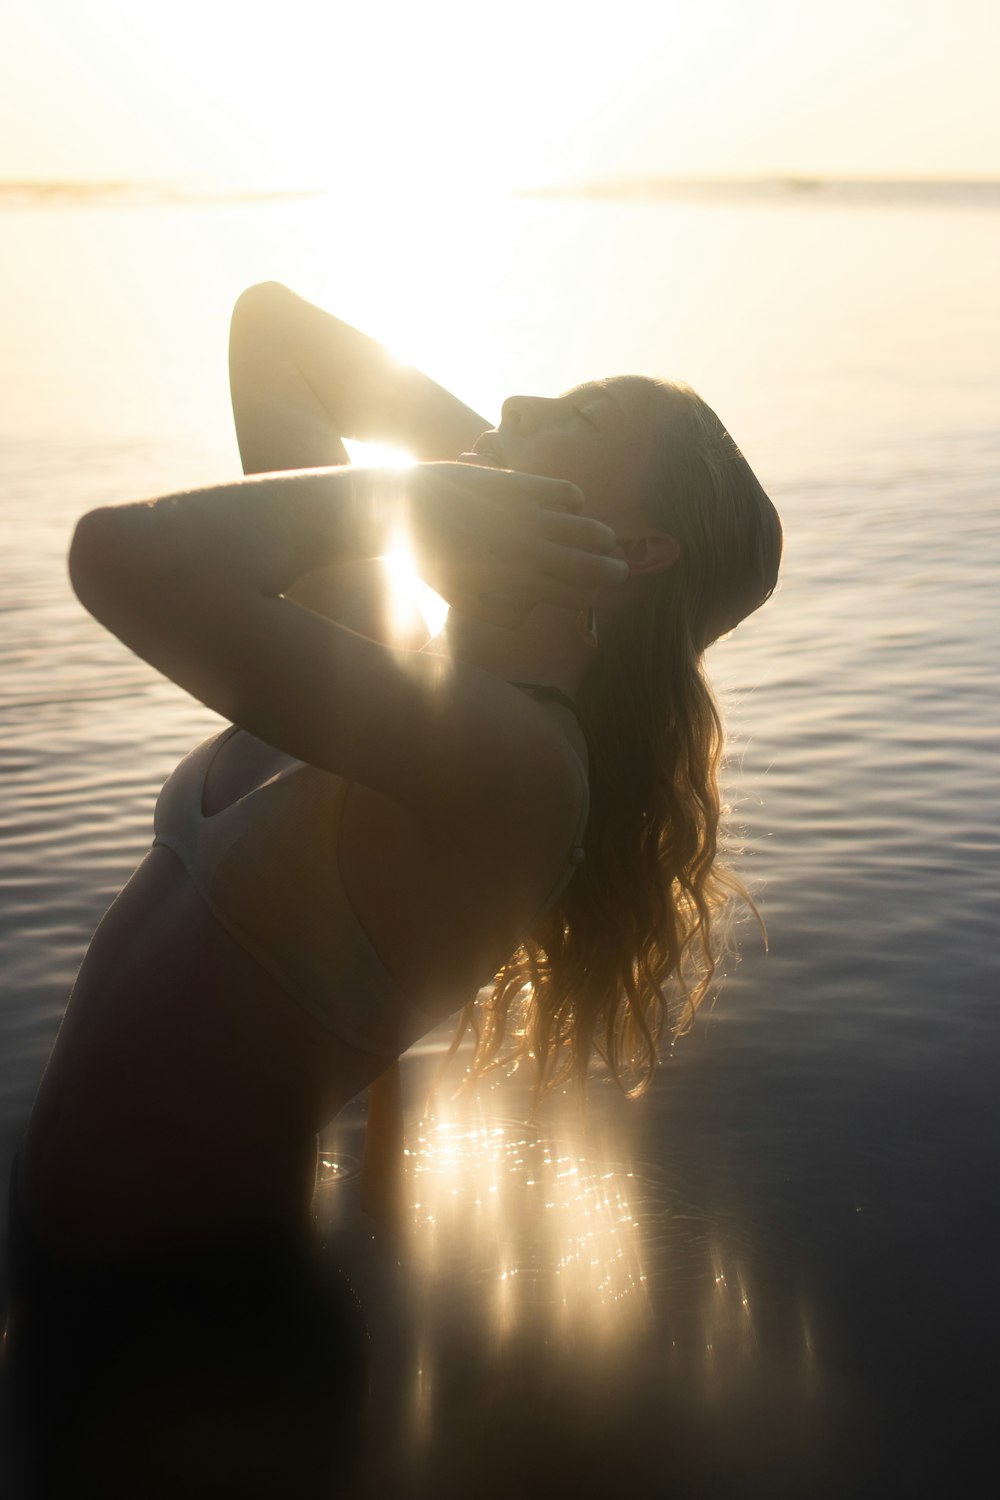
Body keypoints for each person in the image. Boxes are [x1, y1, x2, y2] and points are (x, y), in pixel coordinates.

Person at [4, 281, 781, 1490]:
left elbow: (115, 559)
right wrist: (500, 474)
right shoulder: (382, 664)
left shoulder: (521, 775)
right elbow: (274, 332)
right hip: (80, 1290)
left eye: (571, 413)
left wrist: (428, 493)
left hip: (200, 1356)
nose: (516, 399)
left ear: (637, 551)